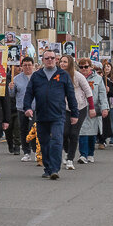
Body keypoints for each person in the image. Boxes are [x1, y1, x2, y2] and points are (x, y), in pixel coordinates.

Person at [23, 49, 79, 179]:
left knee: (56, 141)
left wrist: (74, 114)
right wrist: (27, 108)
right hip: (41, 115)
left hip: (58, 115)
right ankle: (47, 168)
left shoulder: (63, 75)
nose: (50, 60)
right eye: (47, 58)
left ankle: (55, 169)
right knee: (44, 143)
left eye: (52, 58)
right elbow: (29, 93)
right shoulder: (37, 76)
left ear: (56, 60)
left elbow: (71, 95)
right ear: (42, 60)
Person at [59, 54, 92, 170]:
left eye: (65, 62)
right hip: (64, 108)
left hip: (79, 108)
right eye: (61, 61)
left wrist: (92, 108)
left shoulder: (78, 76)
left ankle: (70, 159)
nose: (62, 64)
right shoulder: (58, 75)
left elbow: (88, 92)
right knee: (64, 133)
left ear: (70, 64)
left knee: (74, 133)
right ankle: (67, 151)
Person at [76, 58, 108, 164]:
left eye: (86, 66)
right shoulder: (76, 77)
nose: (84, 69)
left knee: (92, 132)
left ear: (91, 67)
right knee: (82, 131)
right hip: (80, 107)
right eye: (81, 67)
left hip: (93, 109)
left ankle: (90, 153)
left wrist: (104, 108)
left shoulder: (98, 79)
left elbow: (102, 94)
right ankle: (83, 154)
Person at [9, 55, 36, 161]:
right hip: (22, 108)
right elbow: (11, 95)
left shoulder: (38, 76)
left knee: (33, 130)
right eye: (25, 65)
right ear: (21, 67)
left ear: (33, 66)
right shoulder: (16, 79)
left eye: (29, 65)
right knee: (23, 130)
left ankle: (35, 150)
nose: (27, 67)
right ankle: (26, 152)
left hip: (35, 108)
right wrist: (10, 88)